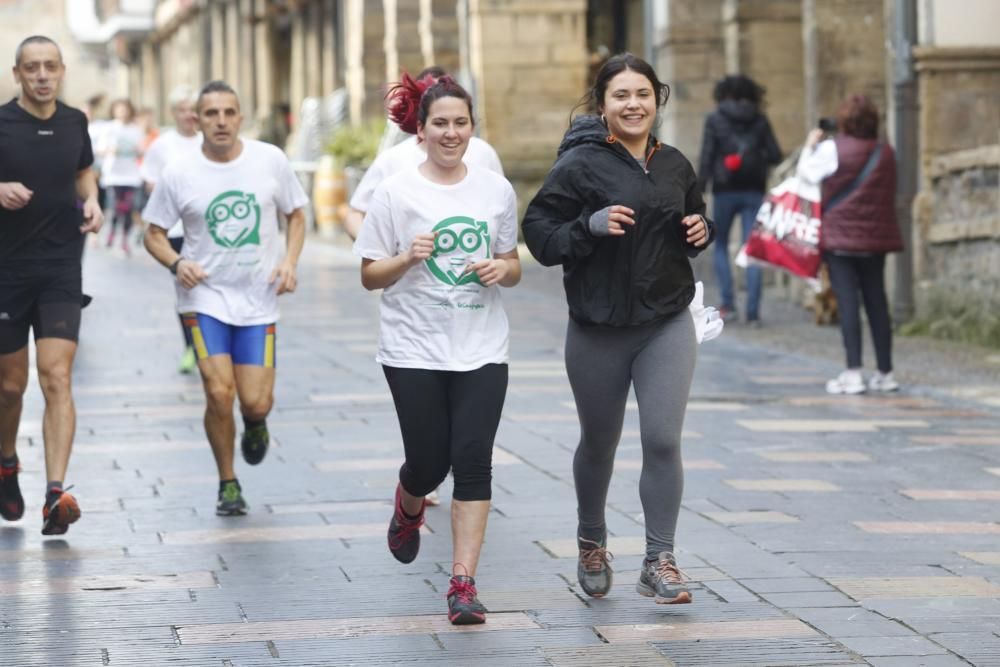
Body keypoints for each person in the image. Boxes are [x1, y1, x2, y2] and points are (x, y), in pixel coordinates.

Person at [522, 53, 712, 605]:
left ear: (658, 99)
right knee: (600, 442)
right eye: (621, 96)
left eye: (643, 95)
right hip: (598, 327)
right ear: (603, 106)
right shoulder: (580, 166)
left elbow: (693, 216)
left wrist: (703, 227)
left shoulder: (675, 163)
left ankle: (660, 559)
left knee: (661, 438)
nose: (633, 105)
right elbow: (539, 234)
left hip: (667, 320)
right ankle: (591, 539)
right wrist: (589, 225)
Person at [353, 74, 520, 625]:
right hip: (413, 349)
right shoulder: (396, 192)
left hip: (481, 348)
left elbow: (512, 266)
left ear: (473, 128)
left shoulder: (495, 189)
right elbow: (370, 276)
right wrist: (405, 258)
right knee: (429, 463)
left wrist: (503, 268)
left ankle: (463, 584)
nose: (451, 133)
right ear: (419, 130)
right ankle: (409, 499)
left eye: (461, 123)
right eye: (440, 124)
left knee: (473, 461)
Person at [142, 81, 308, 515]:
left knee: (255, 400)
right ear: (197, 120)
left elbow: (296, 214)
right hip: (204, 298)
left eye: (228, 112)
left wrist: (289, 261)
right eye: (211, 113)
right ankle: (228, 482)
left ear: (240, 116)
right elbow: (153, 233)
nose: (220, 121)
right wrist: (177, 264)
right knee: (218, 393)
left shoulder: (269, 160)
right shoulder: (180, 172)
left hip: (258, 298)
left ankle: (255, 423)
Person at [0, 35, 104, 535]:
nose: (42, 75)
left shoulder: (74, 122)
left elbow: (84, 172)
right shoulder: (0, 122)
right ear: (18, 74)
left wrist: (95, 201)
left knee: (56, 377)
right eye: (31, 68)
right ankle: (6, 463)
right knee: (9, 387)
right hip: (7, 271)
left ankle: (54, 493)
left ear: (62, 71)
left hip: (62, 265)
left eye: (50, 67)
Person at [795, 95, 902, 395]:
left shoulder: (832, 149)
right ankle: (885, 372)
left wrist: (810, 145)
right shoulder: (886, 152)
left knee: (848, 303)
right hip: (875, 240)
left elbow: (806, 174)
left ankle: (853, 373)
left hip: (840, 240)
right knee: (877, 302)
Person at [342, 66, 504, 242]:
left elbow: (501, 208)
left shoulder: (483, 153)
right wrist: (378, 253)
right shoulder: (393, 159)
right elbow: (356, 213)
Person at [697, 74, 782, 324]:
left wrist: (699, 189)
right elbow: (775, 154)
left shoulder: (715, 119)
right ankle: (753, 313)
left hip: (724, 190)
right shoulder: (760, 119)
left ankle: (728, 304)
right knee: (752, 249)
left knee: (720, 245)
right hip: (754, 189)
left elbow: (707, 155)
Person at [140, 85, 202, 374]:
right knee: (186, 288)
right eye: (183, 110)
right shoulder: (163, 145)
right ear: (174, 113)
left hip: (208, 228)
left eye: (193, 109)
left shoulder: (211, 140)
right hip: (175, 231)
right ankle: (191, 344)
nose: (189, 115)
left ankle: (209, 343)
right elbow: (150, 180)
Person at [97, 99, 144, 254]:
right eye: (119, 109)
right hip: (114, 175)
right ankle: (112, 232)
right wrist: (111, 151)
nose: (122, 112)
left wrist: (137, 151)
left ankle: (124, 238)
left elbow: (142, 151)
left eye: (125, 109)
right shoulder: (108, 128)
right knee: (118, 206)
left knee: (128, 207)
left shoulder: (135, 129)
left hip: (130, 175)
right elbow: (98, 150)